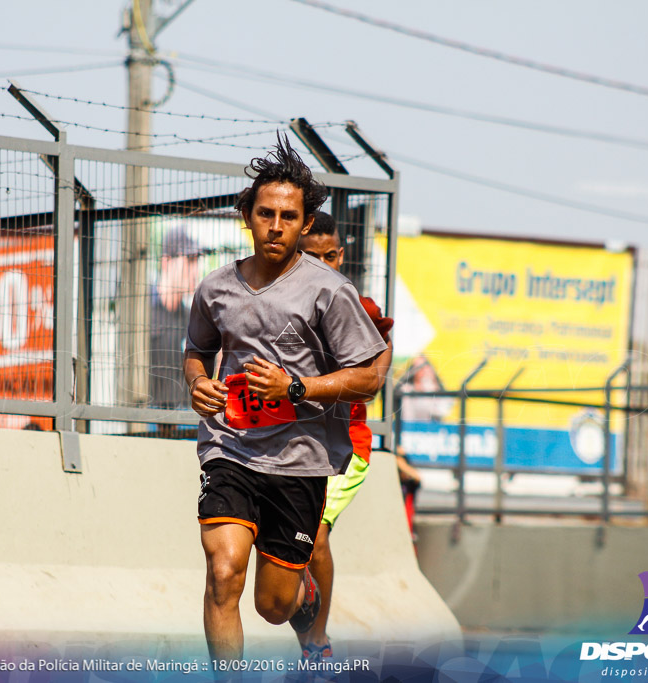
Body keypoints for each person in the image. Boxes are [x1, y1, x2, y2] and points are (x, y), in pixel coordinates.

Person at [183, 135, 388, 673]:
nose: (276, 226)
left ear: (304, 223)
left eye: (289, 217)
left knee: (273, 606)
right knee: (223, 570)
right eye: (266, 213)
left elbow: (368, 377)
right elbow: (197, 350)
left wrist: (295, 388)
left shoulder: (329, 291)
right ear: (246, 216)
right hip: (230, 446)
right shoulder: (215, 288)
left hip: (299, 460)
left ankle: (305, 601)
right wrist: (198, 382)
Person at [294, 211, 394, 665]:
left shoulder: (356, 304)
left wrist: (373, 378)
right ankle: (303, 620)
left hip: (348, 444)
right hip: (292, 444)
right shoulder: (285, 302)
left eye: (330, 255)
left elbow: (383, 338)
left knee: (316, 537)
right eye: (310, 256)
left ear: (341, 253)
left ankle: (318, 640)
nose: (323, 264)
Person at [149, 225, 203, 418]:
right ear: (166, 262)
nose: (195, 270)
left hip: (185, 420)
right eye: (189, 260)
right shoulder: (140, 313)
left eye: (197, 261)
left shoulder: (193, 320)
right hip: (145, 418)